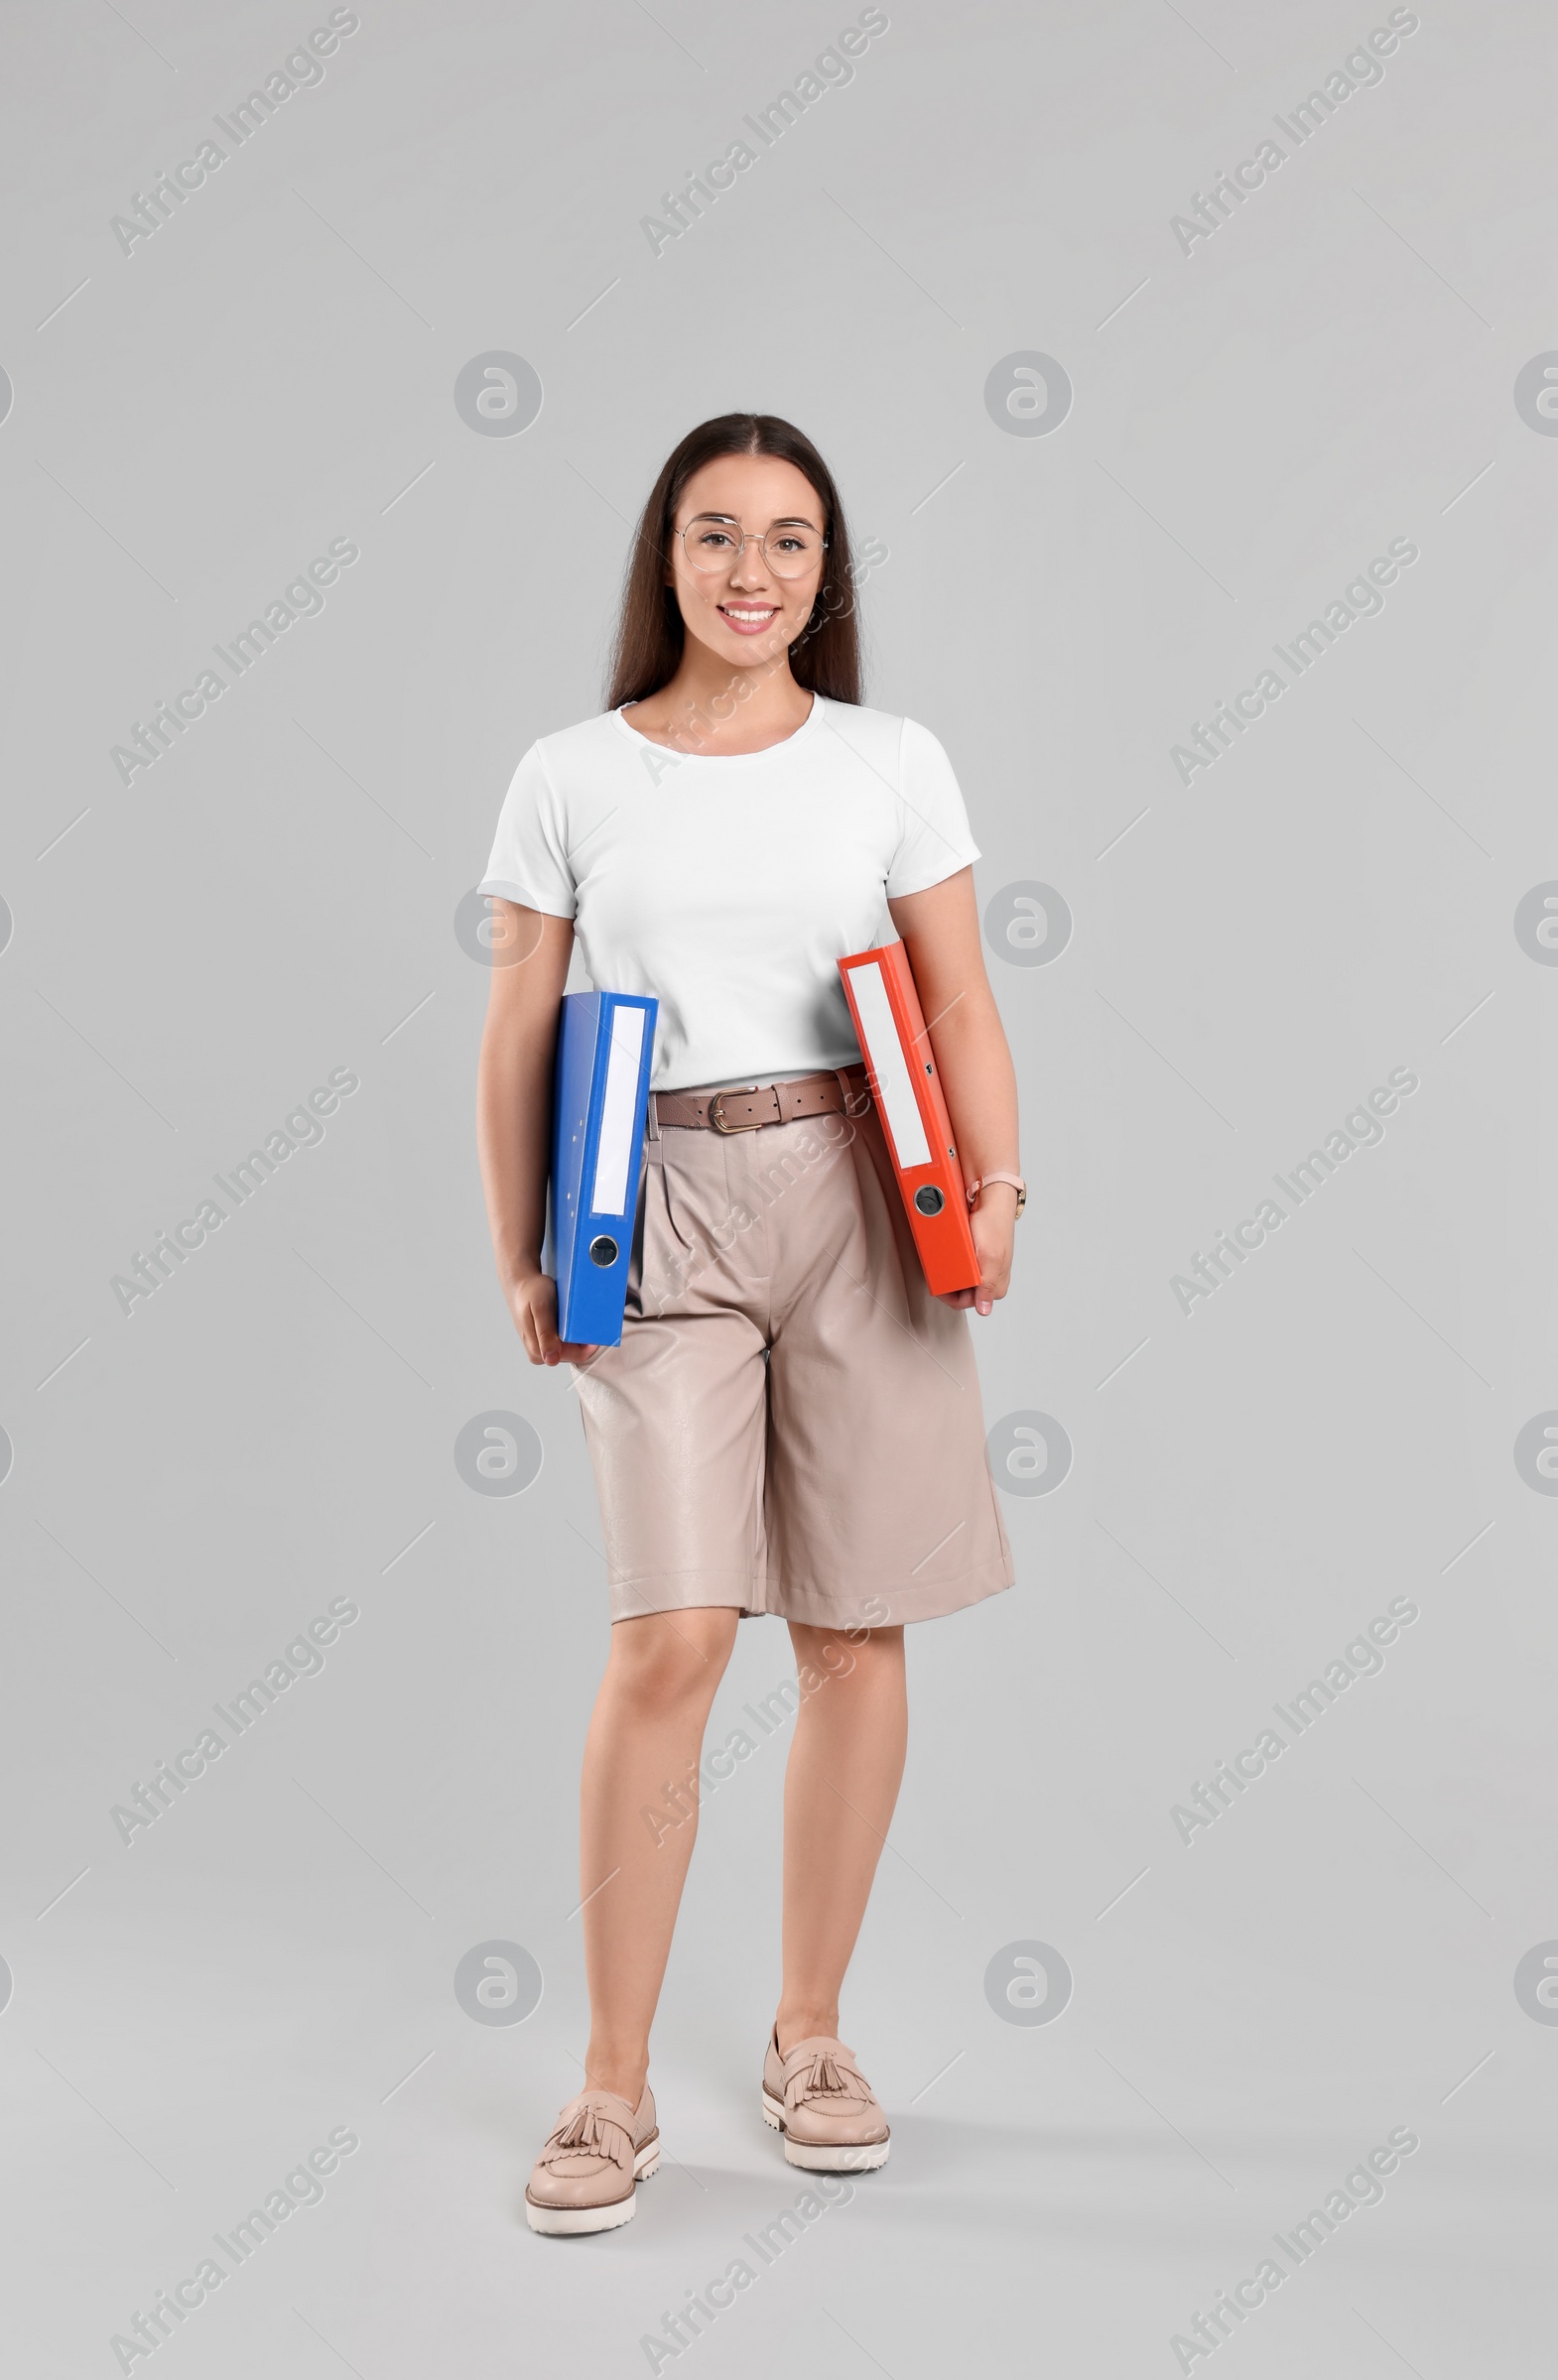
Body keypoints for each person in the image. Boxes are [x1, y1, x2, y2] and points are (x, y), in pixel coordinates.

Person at [474, 412, 1023, 2235]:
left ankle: (811, 2039)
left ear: (824, 573)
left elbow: (958, 1001)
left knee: (856, 1636)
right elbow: (521, 1038)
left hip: (867, 1188)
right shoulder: (571, 772)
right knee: (673, 1641)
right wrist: (525, 1250)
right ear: (666, 559)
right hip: (656, 1202)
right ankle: (612, 2087)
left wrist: (998, 1191)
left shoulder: (890, 761)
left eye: (789, 542)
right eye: (717, 536)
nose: (751, 572)